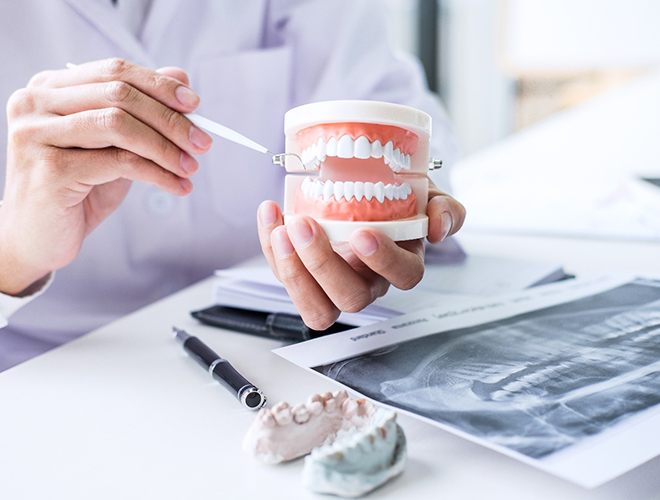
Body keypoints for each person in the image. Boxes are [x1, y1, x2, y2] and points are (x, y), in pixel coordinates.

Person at [0, 0, 465, 371]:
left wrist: (404, 212)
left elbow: (390, 110)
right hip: (40, 371)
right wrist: (13, 254)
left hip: (263, 350)